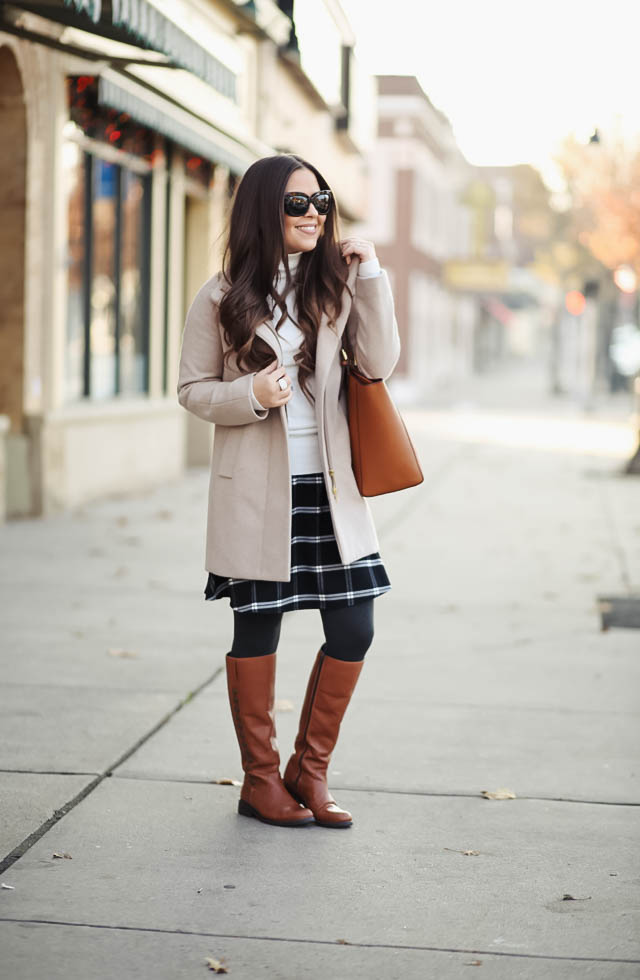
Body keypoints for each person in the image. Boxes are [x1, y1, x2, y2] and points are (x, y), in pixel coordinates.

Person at [177, 153, 399, 830]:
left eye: (321, 201)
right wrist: (251, 394)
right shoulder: (220, 296)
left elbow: (381, 364)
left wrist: (374, 279)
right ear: (263, 211)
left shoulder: (337, 286)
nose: (314, 214)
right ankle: (261, 780)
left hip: (332, 491)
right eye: (298, 203)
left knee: (355, 626)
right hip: (256, 489)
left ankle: (312, 768)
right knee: (257, 632)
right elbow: (191, 391)